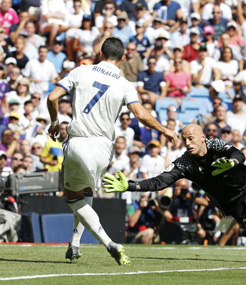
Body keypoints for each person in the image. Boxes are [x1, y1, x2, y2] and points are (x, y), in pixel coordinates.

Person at [103, 123, 246, 265]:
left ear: (202, 137)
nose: (187, 142)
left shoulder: (214, 144)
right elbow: (159, 181)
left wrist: (231, 163)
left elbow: (239, 154)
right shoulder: (185, 163)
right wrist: (131, 186)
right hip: (236, 207)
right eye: (184, 139)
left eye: (191, 138)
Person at [47, 37, 177, 265]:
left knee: (73, 197)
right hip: (105, 149)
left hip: (80, 141)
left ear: (99, 53)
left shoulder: (81, 71)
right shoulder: (125, 84)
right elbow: (141, 115)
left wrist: (55, 121)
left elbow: (52, 97)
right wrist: (165, 129)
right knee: (85, 192)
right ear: (123, 58)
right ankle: (75, 243)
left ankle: (110, 243)